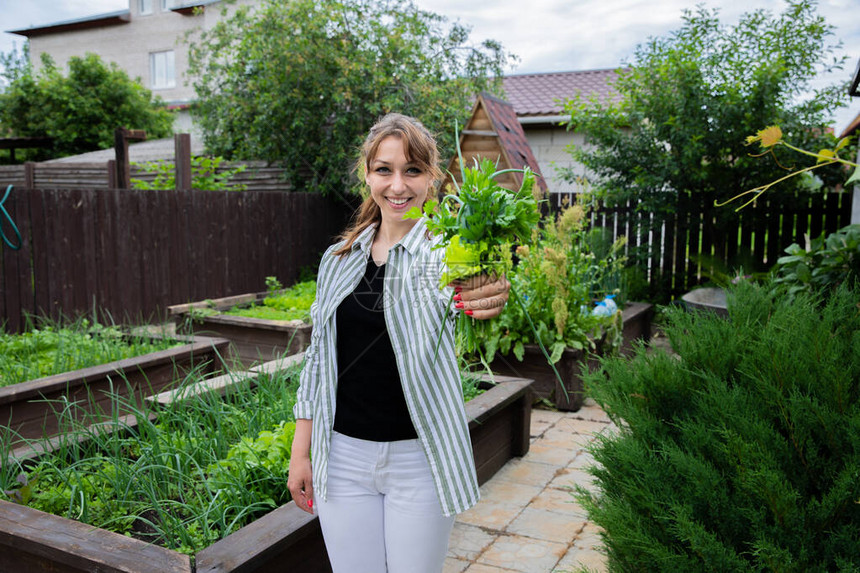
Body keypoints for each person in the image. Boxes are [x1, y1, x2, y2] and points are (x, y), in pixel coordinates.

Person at [287, 113, 510, 573]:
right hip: (342, 457)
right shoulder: (338, 259)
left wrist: (489, 292)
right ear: (366, 174)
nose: (397, 185)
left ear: (433, 177)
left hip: (419, 461)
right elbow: (318, 361)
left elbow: (476, 296)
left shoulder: (450, 254)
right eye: (384, 169)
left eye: (412, 170)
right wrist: (300, 452)